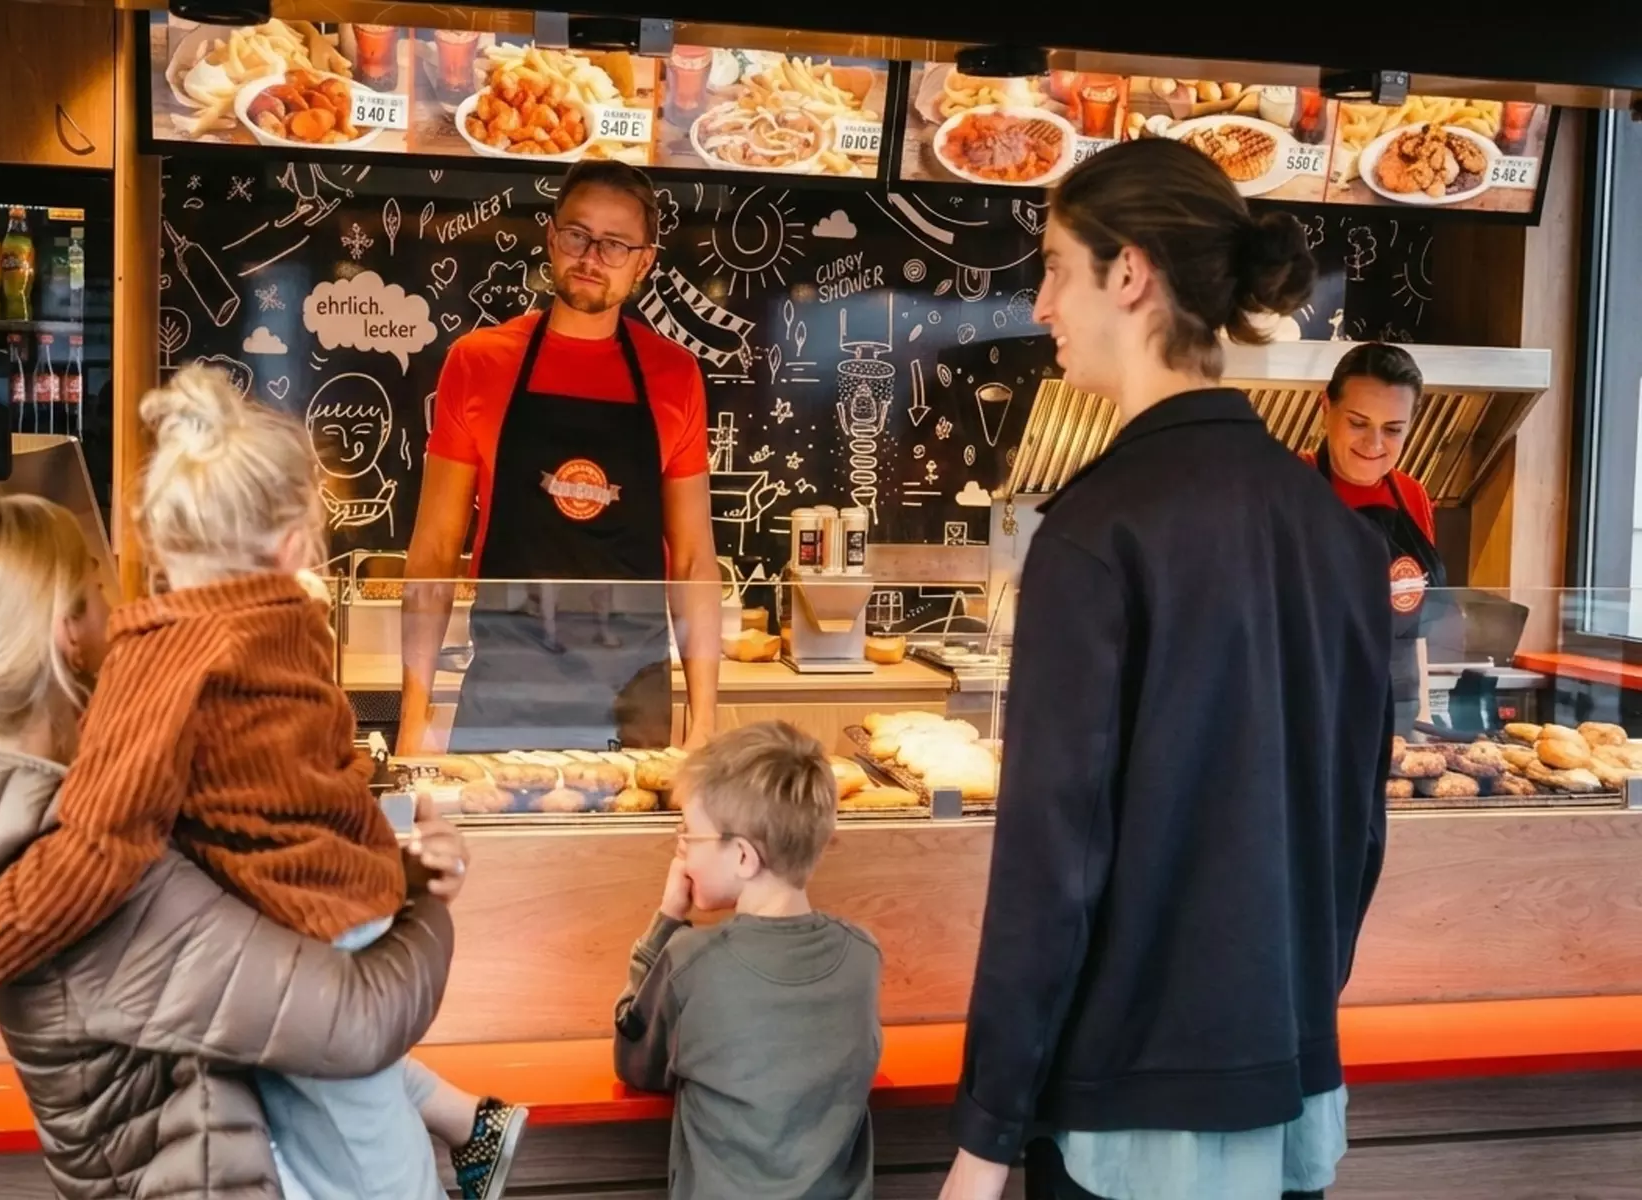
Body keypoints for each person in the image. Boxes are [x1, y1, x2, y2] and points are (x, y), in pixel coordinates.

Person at [0, 368, 526, 1200]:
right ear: (294, 549)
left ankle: (460, 1139)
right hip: (348, 919)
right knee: (365, 1130)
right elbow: (312, 794)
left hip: (302, 951)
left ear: (153, 543)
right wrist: (413, 886)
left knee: (375, 1179)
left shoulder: (165, 659)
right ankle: (471, 1128)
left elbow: (99, 845)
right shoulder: (292, 627)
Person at [938, 138, 1393, 1200]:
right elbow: (1359, 832)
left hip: (1125, 1123)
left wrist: (985, 1136)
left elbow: (1051, 868)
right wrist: (1289, 1014)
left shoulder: (1095, 532)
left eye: (1057, 268)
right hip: (1289, 1091)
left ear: (1130, 273)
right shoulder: (1337, 533)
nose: (1041, 303)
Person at [399, 159, 722, 756]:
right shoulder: (478, 361)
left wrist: (704, 727)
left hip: (632, 696)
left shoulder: (675, 376)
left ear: (644, 262)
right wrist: (412, 726)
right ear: (551, 237)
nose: (592, 257)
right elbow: (435, 553)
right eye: (578, 234)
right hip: (508, 687)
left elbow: (694, 561)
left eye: (616, 244)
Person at [614, 720, 881, 1199]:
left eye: (689, 835)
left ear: (742, 857)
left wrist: (667, 920)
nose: (681, 851)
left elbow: (635, 1062)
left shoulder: (692, 963)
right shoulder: (862, 957)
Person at [1313, 342, 1443, 734]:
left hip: (1397, 708)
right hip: (1312, 707)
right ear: (1326, 408)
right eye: (1358, 423)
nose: (1374, 444)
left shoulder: (1413, 496)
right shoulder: (1288, 487)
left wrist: (1421, 716)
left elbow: (1415, 623)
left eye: (1392, 430)